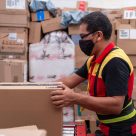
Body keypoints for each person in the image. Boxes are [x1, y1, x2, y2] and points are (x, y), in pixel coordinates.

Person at [51, 11, 136, 136]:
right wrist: (40, 88)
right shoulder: (94, 59)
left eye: (83, 37)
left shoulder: (115, 62)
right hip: (106, 127)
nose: (81, 42)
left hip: (123, 130)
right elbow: (70, 81)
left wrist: (75, 97)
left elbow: (116, 105)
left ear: (98, 36)